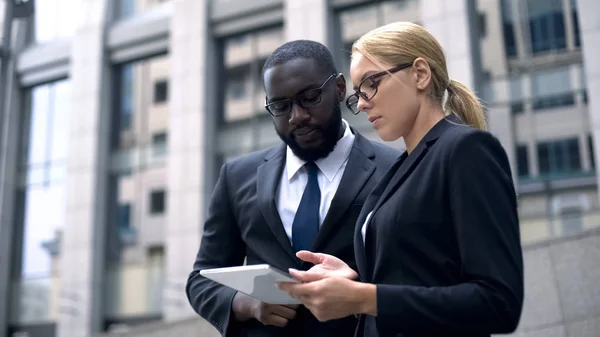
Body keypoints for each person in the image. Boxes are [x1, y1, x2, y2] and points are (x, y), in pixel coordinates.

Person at [278, 22, 524, 337]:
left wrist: (365, 297)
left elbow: (498, 302)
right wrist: (354, 283)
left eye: (371, 84)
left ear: (420, 74)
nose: (362, 103)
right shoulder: (400, 167)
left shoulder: (466, 150)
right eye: (357, 95)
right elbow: (421, 276)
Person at [185, 40, 400, 337]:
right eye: (280, 106)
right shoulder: (237, 177)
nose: (297, 116)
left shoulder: (397, 170)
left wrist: (357, 290)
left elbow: (416, 279)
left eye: (310, 98)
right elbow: (201, 279)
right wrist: (245, 303)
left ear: (339, 88)